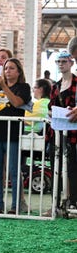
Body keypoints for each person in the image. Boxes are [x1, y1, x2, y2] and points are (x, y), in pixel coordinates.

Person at [0, 58, 31, 214]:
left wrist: (3, 86)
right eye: (6, 68)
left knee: (14, 171)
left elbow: (17, 103)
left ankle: (16, 205)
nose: (7, 71)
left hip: (14, 134)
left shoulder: (23, 87)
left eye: (11, 68)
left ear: (18, 72)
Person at [47, 50, 77, 212]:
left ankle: (73, 202)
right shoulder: (55, 86)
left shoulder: (76, 83)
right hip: (57, 131)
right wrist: (57, 112)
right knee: (55, 166)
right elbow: (49, 108)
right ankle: (55, 202)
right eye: (58, 62)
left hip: (73, 132)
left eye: (64, 62)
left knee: (73, 167)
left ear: (71, 63)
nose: (61, 64)